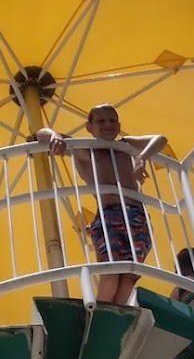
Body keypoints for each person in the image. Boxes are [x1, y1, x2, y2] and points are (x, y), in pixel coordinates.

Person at [35, 104, 167, 305]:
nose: (108, 125)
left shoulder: (125, 145)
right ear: (89, 127)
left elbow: (160, 139)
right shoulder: (86, 149)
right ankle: (100, 314)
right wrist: (55, 136)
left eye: (112, 121)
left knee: (129, 275)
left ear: (119, 125)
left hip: (137, 215)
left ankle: (117, 313)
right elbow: (41, 133)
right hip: (109, 215)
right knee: (111, 271)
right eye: (101, 121)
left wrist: (142, 157)